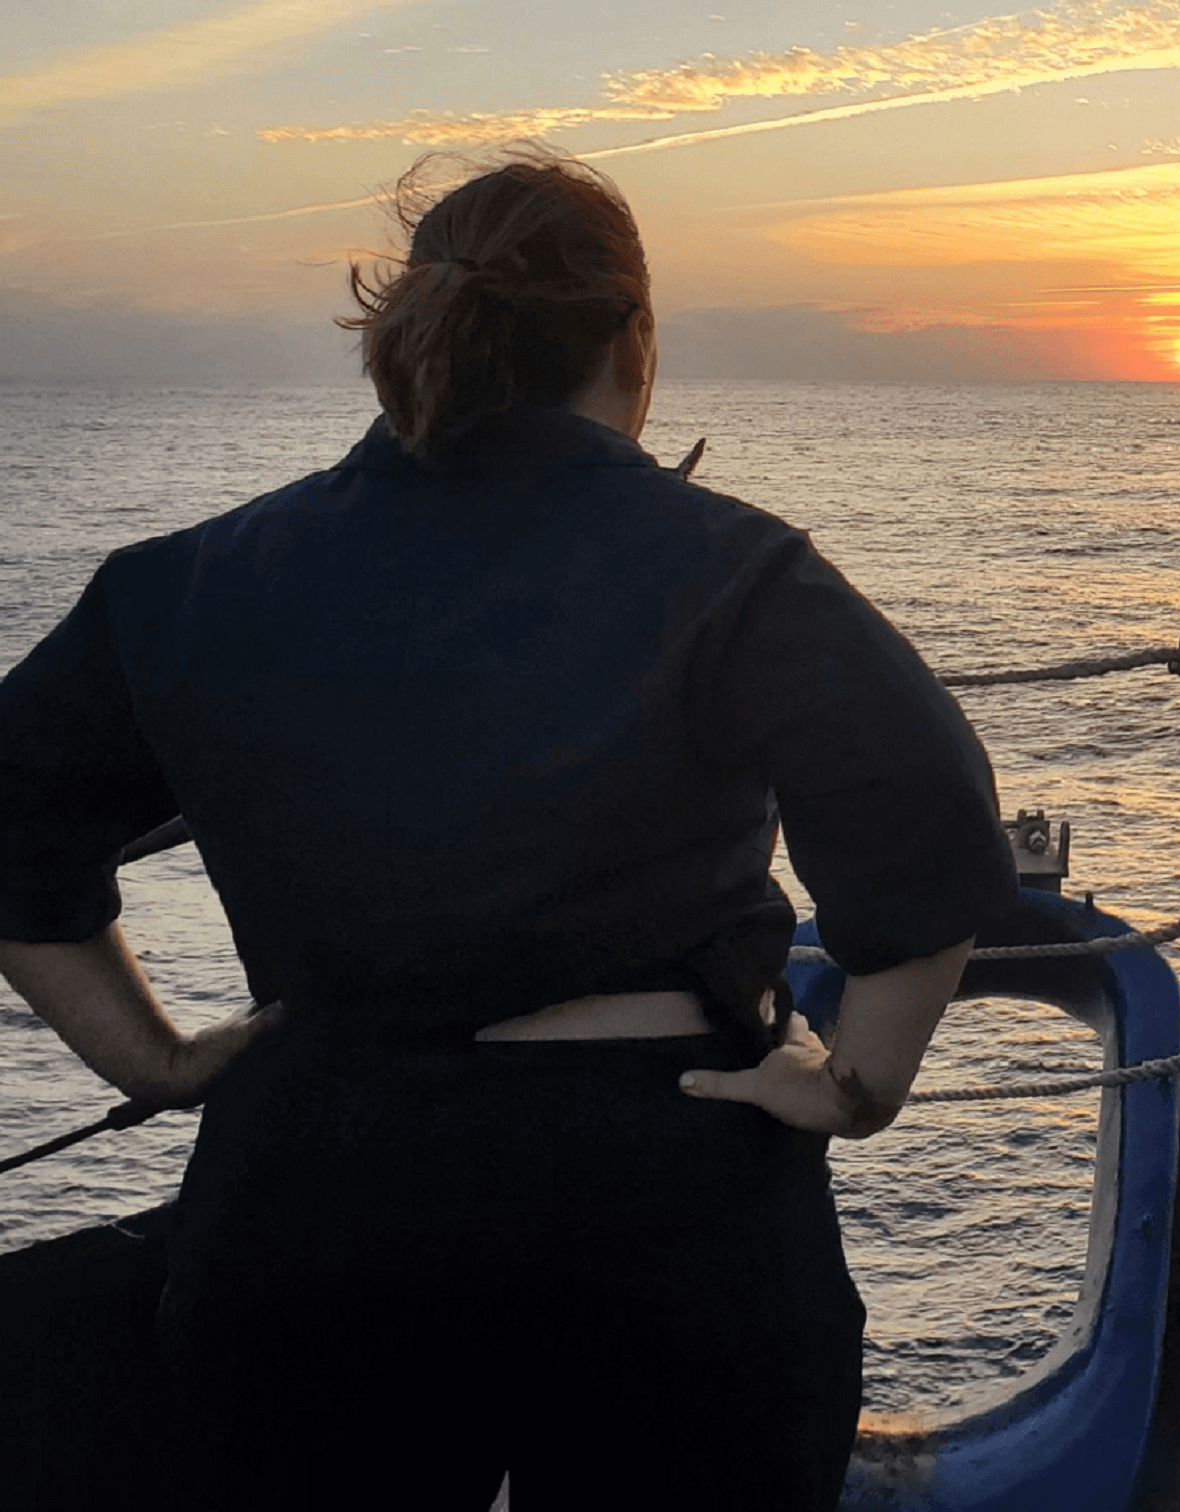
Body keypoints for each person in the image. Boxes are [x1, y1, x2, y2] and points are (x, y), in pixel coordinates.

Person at [0, 151, 1014, 1509]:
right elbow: (928, 814)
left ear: (403, 342)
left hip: (317, 1185)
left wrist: (155, 1056)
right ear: (633, 336)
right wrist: (853, 1086)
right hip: (664, 1187)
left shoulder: (185, 582)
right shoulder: (733, 567)